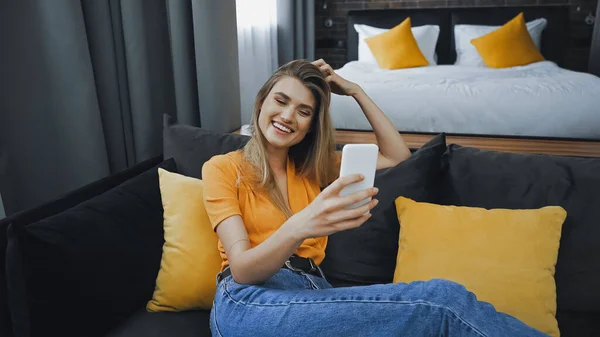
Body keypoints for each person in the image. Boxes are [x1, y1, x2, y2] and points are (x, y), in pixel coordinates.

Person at [202, 59, 548, 337]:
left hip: (313, 293)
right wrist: (300, 226)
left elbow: (397, 157)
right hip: (250, 301)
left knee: (435, 315)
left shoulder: (315, 169)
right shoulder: (222, 168)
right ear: (261, 101)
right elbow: (244, 269)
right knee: (443, 302)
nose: (288, 116)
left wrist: (355, 91)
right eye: (281, 101)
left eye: (304, 111)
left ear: (311, 125)